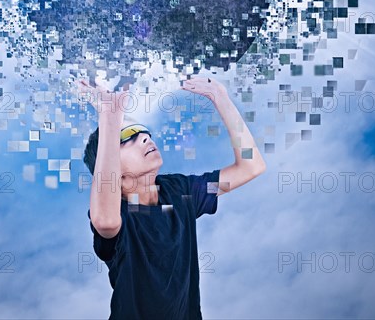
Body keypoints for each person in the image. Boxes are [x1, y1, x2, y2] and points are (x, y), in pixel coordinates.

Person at [77, 75, 266, 320]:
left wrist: (221, 99)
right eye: (128, 138)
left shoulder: (181, 193)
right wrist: (109, 119)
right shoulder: (118, 214)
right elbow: (105, 221)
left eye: (143, 132)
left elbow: (250, 166)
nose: (145, 137)